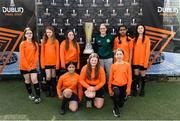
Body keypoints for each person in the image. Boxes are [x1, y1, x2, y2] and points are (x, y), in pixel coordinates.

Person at [19, 27, 41, 104]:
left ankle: (38, 96)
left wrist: (32, 66)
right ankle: (30, 94)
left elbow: (36, 56)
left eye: (30, 33)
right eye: (27, 33)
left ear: (32, 34)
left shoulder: (35, 44)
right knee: (27, 80)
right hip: (24, 66)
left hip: (33, 66)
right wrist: (27, 66)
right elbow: (22, 56)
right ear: (25, 35)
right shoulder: (22, 44)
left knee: (34, 79)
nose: (29, 34)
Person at [108, 48, 132, 117]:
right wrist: (110, 90)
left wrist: (128, 88)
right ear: (115, 56)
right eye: (117, 54)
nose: (119, 56)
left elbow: (129, 78)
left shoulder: (127, 65)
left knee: (121, 104)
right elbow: (110, 79)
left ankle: (123, 97)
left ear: (123, 55)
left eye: (120, 54)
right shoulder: (113, 66)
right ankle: (115, 109)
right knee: (116, 93)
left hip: (124, 85)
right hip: (115, 85)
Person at [132, 24, 151, 96]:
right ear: (137, 30)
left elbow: (147, 52)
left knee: (143, 76)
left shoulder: (147, 39)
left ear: (144, 30)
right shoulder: (134, 39)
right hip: (135, 61)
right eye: (139, 28)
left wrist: (145, 62)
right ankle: (136, 89)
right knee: (136, 76)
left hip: (143, 61)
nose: (140, 29)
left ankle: (142, 90)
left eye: (141, 28)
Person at [40, 26, 60, 97]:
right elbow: (42, 54)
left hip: (54, 62)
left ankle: (53, 90)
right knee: (48, 77)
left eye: (50, 32)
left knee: (53, 76)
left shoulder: (56, 41)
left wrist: (57, 64)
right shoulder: (44, 41)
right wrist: (42, 64)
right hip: (46, 62)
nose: (48, 34)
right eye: (47, 32)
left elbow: (57, 53)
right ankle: (48, 89)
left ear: (52, 33)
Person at [94, 23, 114, 89]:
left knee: (109, 73)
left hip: (109, 57)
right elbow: (95, 48)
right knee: (100, 73)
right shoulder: (97, 37)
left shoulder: (110, 36)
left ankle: (109, 86)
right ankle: (101, 86)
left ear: (106, 29)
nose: (102, 29)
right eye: (101, 28)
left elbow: (113, 46)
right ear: (99, 30)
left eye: (103, 28)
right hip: (100, 58)